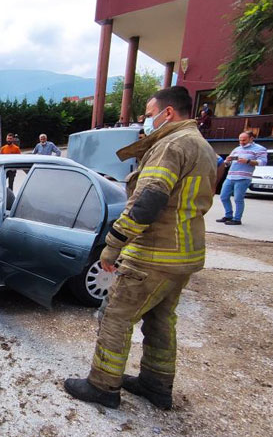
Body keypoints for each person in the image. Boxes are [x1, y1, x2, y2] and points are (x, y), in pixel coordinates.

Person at [63, 86, 217, 410]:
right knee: (161, 320)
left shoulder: (171, 145)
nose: (146, 121)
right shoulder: (201, 146)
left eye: (149, 115)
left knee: (115, 317)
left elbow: (148, 201)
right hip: (184, 256)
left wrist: (114, 244)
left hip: (154, 255)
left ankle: (103, 386)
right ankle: (156, 385)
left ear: (168, 113)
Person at [216, 131, 267, 225]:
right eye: (240, 140)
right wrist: (227, 161)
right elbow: (227, 164)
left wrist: (248, 161)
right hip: (230, 176)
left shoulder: (260, 149)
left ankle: (237, 219)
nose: (241, 142)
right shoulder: (237, 149)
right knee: (223, 196)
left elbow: (263, 162)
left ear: (251, 139)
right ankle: (228, 215)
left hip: (243, 177)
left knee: (238, 199)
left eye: (244, 140)